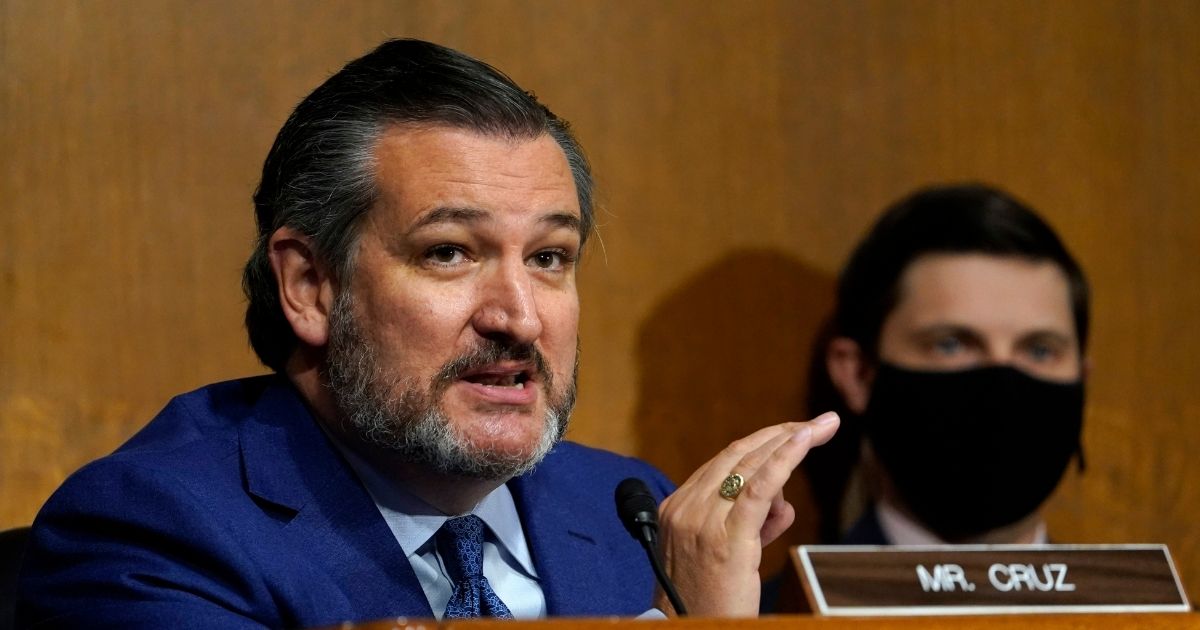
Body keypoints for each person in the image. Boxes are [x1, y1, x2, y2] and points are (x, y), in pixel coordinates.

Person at [17, 39, 838, 627]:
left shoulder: (639, 516)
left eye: (551, 257)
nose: (518, 315)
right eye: (449, 253)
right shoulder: (155, 530)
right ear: (309, 285)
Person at [818, 183, 1088, 545]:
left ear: (1083, 378)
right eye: (951, 345)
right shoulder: (761, 604)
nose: (1002, 384)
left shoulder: (1155, 604)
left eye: (1039, 351)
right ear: (857, 375)